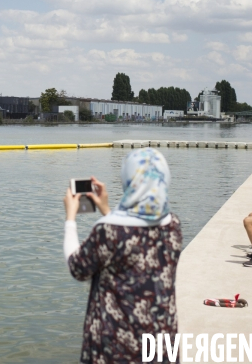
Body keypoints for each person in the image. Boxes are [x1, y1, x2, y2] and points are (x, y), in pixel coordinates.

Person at [63, 148, 182, 363]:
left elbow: (77, 268)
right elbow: (132, 243)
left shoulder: (107, 231)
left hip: (115, 345)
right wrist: (107, 210)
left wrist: (70, 218)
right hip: (161, 340)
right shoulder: (173, 225)